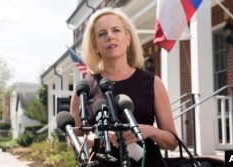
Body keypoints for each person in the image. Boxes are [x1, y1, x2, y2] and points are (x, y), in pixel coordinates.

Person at [70, 8, 178, 167]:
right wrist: (98, 138)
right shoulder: (83, 89)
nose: (110, 36)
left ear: (128, 38)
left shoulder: (153, 83)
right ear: (95, 46)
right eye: (102, 33)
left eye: (116, 30)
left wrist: (150, 131)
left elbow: (172, 142)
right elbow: (71, 142)